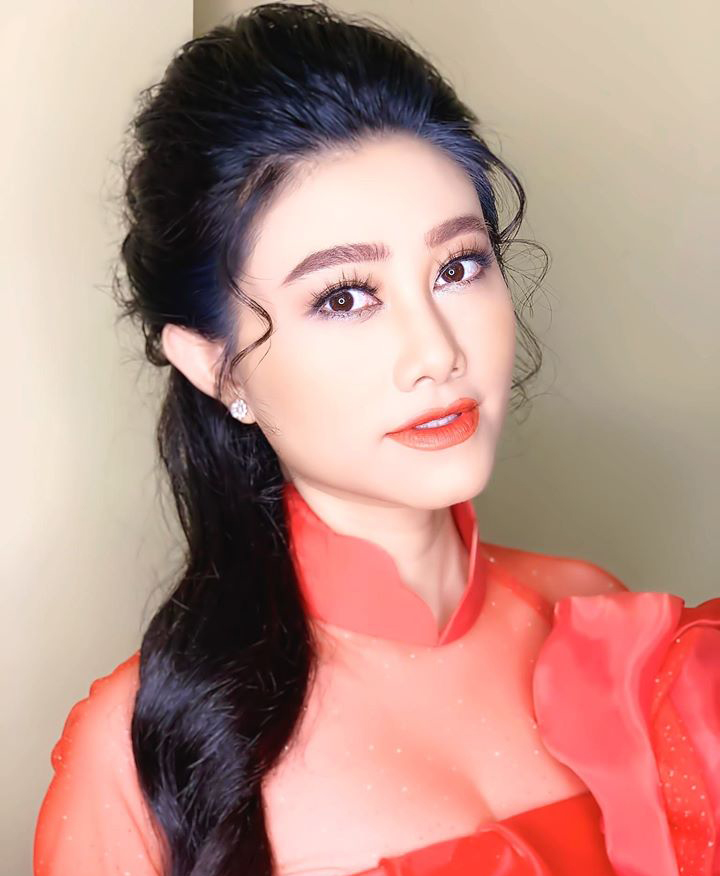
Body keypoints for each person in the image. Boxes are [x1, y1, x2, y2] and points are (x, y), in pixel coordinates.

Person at [33, 3, 720, 875]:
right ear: (216, 367)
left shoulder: (603, 630)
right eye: (343, 296)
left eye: (458, 266)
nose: (437, 352)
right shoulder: (144, 756)